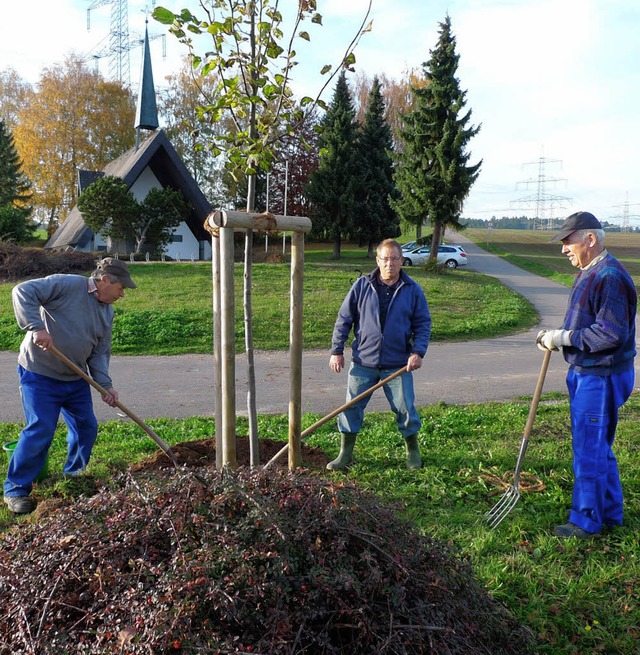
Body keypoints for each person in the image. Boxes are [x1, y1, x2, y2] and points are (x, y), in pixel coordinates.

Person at [3, 257, 137, 514]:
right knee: (41, 428)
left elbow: (99, 352)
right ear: (105, 280)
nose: (123, 294)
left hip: (75, 379)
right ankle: (16, 490)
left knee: (86, 426)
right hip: (40, 373)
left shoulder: (107, 312)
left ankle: (73, 475)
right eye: (121, 288)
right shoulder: (67, 285)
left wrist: (105, 386)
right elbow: (22, 291)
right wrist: (36, 327)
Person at [537, 211, 636, 538]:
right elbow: (587, 323)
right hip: (588, 371)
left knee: (588, 449)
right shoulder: (590, 271)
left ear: (590, 239)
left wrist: (563, 338)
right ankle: (610, 513)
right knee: (598, 446)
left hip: (601, 375)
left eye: (568, 241)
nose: (564, 248)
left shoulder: (609, 277)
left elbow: (609, 333)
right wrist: (559, 334)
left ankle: (585, 522)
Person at [328, 238, 431, 470]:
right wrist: (337, 350)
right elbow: (344, 319)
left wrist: (418, 351)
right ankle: (345, 454)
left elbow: (423, 324)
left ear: (402, 261)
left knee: (405, 408)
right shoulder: (362, 285)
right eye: (385, 259)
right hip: (363, 361)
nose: (390, 264)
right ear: (377, 260)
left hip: (397, 364)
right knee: (351, 408)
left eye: (395, 259)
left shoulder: (412, 290)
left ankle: (412, 452)